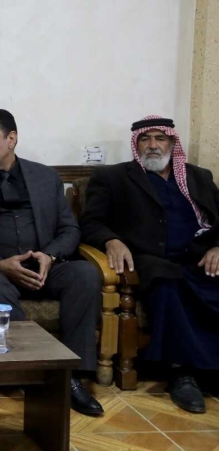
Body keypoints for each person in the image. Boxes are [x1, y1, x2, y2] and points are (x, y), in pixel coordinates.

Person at [0, 109, 104, 416]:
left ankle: (73, 377)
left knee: (85, 274)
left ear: (11, 138)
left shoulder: (45, 177)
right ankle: (35, 371)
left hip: (43, 267)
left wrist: (50, 256)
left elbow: (70, 229)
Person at [80, 115, 219, 414]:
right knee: (167, 283)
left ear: (172, 142)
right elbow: (90, 222)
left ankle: (211, 370)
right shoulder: (113, 177)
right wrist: (111, 240)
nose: (152, 145)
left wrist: (218, 247)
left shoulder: (199, 177)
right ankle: (181, 372)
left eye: (160, 138)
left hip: (199, 257)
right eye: (145, 139)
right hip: (149, 260)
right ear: (136, 144)